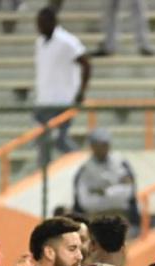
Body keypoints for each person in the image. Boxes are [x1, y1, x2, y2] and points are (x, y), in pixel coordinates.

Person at [34, 7, 91, 164]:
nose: (39, 27)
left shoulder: (67, 41)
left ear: (52, 22)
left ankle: (83, 163)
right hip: (44, 100)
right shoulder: (40, 42)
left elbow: (86, 64)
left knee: (59, 138)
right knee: (43, 139)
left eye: (42, 23)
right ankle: (43, 172)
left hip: (63, 100)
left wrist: (81, 91)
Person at [73, 128, 139, 227]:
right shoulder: (85, 169)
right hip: (95, 218)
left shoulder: (120, 163)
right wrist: (114, 189)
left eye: (105, 144)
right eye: (99, 145)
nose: (103, 148)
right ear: (92, 146)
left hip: (119, 216)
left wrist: (103, 192)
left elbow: (127, 193)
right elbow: (84, 201)